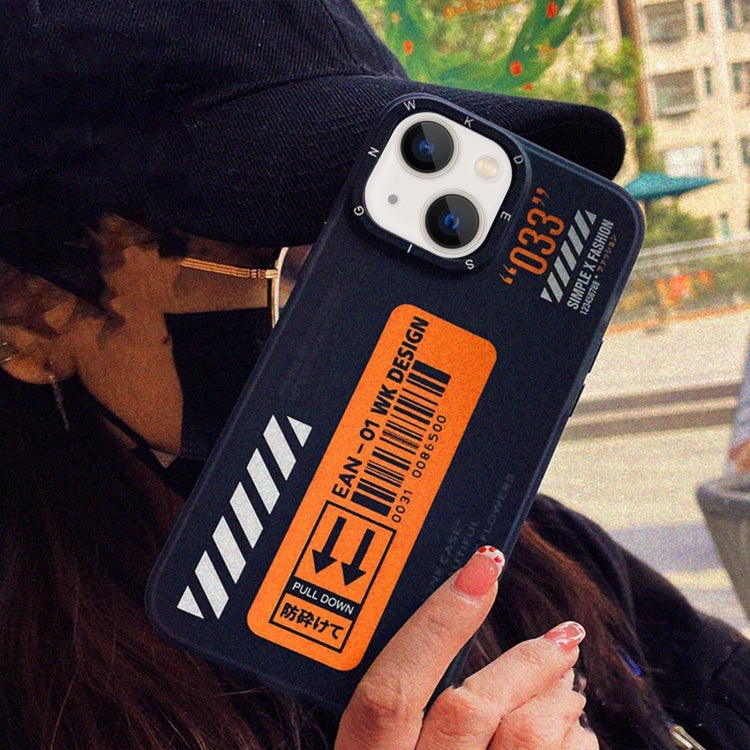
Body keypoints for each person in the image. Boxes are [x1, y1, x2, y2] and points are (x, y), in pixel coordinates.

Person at [1, 2, 748, 749]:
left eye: (410, 248)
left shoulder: (540, 556)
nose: (402, 322)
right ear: (30, 315)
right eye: (312, 262)